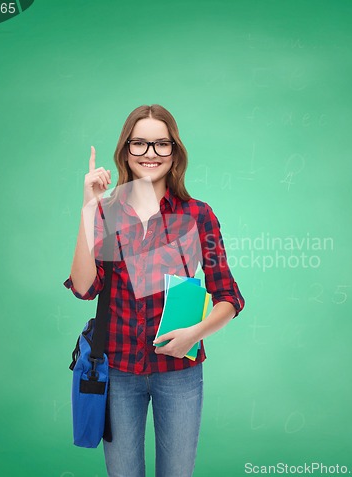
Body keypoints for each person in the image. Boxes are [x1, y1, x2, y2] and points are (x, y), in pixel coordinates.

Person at [64, 104, 245, 477]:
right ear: (125, 151)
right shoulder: (106, 211)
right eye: (140, 144)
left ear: (174, 152)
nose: (150, 154)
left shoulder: (197, 215)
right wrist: (87, 207)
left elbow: (228, 296)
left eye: (161, 144)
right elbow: (84, 288)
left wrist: (195, 334)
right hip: (118, 371)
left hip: (179, 370)